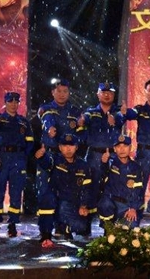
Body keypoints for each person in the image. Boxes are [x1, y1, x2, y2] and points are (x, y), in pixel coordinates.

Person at [77, 81, 128, 233]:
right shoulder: (91, 112)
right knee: (90, 188)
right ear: (98, 94)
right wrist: (81, 123)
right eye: (103, 92)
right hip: (94, 155)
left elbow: (127, 116)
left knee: (112, 188)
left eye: (110, 92)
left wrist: (118, 118)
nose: (106, 95)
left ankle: (108, 226)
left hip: (113, 155)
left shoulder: (118, 111)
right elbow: (82, 122)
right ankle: (85, 225)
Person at [36, 79, 82, 238]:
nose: (62, 94)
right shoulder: (46, 109)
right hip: (49, 154)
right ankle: (45, 230)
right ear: (52, 92)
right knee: (45, 191)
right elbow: (46, 120)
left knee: (67, 192)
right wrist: (50, 129)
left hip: (67, 157)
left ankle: (64, 226)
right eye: (59, 91)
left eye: (65, 91)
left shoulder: (75, 111)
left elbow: (81, 132)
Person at [0, 91, 34, 239]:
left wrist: (23, 156)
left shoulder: (23, 122)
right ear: (5, 102)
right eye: (10, 101)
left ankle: (12, 224)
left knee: (16, 193)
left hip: (18, 158)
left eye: (16, 101)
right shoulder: (0, 118)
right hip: (1, 158)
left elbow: (30, 142)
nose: (13, 104)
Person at [35, 134, 90, 243]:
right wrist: (41, 157)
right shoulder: (55, 159)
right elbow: (46, 163)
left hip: (72, 202)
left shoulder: (83, 165)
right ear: (60, 147)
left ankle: (64, 226)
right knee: (47, 200)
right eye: (65, 146)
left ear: (76, 147)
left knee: (82, 227)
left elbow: (86, 188)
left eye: (71, 145)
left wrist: (84, 205)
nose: (68, 149)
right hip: (55, 199)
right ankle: (46, 234)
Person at [97, 135, 144, 233]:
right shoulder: (109, 162)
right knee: (105, 204)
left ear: (130, 148)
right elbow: (102, 174)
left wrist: (133, 208)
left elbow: (138, 191)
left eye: (125, 146)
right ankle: (107, 229)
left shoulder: (136, 167)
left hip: (126, 205)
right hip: (111, 203)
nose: (122, 149)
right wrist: (103, 163)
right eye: (118, 146)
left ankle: (120, 226)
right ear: (114, 149)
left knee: (131, 229)